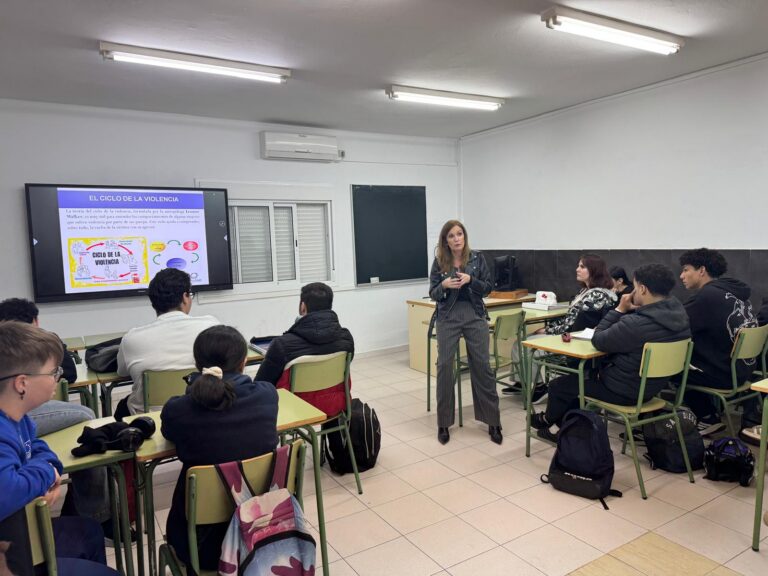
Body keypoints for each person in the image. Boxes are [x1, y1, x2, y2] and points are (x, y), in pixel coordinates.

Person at [0, 321, 117, 576]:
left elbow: (43, 450)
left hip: (22, 533)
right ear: (22, 383)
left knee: (89, 530)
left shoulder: (20, 419)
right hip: (11, 555)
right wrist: (45, 474)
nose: (58, 378)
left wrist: (47, 468)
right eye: (53, 373)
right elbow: (7, 492)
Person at [161, 325, 278, 571]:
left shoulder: (179, 410)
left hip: (201, 547)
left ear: (197, 364)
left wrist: (193, 389)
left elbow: (169, 433)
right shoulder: (268, 396)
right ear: (244, 362)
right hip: (264, 532)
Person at [531, 264, 691, 441]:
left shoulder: (636, 324)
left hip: (625, 391)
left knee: (559, 385)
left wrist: (619, 310)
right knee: (580, 381)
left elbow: (598, 340)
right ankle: (562, 426)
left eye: (636, 288)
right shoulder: (681, 317)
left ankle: (547, 421)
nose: (633, 292)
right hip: (654, 388)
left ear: (643, 289)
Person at [429, 220, 502, 445]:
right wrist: (444, 287)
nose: (456, 238)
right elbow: (433, 292)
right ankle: (443, 423)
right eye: (451, 236)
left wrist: (471, 281)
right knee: (444, 367)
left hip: (474, 314)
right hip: (448, 317)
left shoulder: (477, 258)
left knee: (482, 365)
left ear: (464, 236)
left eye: (459, 234)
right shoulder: (440, 261)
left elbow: (488, 287)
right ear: (446, 240)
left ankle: (493, 421)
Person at [115, 268, 218, 417]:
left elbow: (121, 372)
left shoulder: (132, 338)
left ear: (153, 303)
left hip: (150, 417)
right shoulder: (211, 326)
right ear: (184, 297)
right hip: (202, 409)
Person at [678, 248, 758, 434]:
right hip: (745, 369)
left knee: (671, 366)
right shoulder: (737, 292)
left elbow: (675, 324)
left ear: (702, 270)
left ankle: (706, 416)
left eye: (686, 269)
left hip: (725, 374)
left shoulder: (706, 297)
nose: (682, 276)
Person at [255, 282, 354, 416]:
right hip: (335, 404)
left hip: (293, 409)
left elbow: (261, 384)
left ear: (302, 306)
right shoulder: (346, 338)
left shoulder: (282, 345)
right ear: (330, 305)